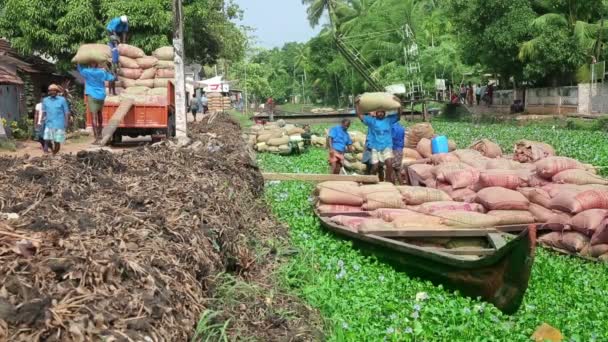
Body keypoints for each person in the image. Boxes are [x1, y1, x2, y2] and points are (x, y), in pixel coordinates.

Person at [356, 98, 401, 183]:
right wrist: (357, 105)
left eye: (382, 112)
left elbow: (398, 116)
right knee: (375, 167)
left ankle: (387, 183)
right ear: (376, 113)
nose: (380, 113)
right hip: (375, 147)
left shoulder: (389, 120)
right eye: (378, 112)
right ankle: (371, 181)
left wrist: (399, 105)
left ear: (384, 113)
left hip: (387, 146)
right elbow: (360, 116)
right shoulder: (372, 121)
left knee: (389, 164)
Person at [77, 63, 116, 144]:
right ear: (98, 64)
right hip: (101, 95)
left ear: (90, 64)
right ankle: (100, 134)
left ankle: (97, 138)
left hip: (92, 95)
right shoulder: (102, 72)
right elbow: (112, 78)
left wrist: (78, 62)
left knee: (94, 117)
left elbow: (79, 69)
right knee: (99, 114)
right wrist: (109, 70)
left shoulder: (86, 71)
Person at [42, 85, 70, 155]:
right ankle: (48, 152)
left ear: (57, 92)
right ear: (49, 92)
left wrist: (66, 123)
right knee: (46, 140)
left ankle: (54, 154)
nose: (53, 92)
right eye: (51, 90)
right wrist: (41, 121)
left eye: (54, 90)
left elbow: (67, 112)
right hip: (49, 123)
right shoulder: (45, 100)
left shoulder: (62, 100)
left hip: (59, 124)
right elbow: (44, 112)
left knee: (57, 142)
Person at [391, 120, 405, 184]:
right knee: (398, 169)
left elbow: (392, 137)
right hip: (400, 150)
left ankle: (393, 185)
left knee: (392, 169)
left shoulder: (392, 127)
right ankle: (401, 185)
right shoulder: (402, 128)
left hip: (394, 149)